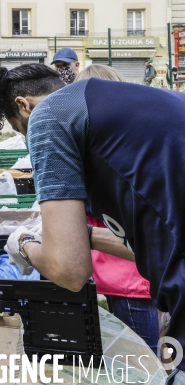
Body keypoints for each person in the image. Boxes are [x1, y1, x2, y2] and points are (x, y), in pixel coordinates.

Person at [0, 63, 185, 383]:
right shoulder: (117, 105)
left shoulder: (48, 115)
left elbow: (70, 271)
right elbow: (146, 244)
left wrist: (24, 245)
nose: (28, 140)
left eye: (21, 131)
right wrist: (83, 234)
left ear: (24, 105)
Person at [73, 64, 160, 355]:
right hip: (124, 276)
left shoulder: (104, 157)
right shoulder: (130, 143)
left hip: (130, 278)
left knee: (140, 360)